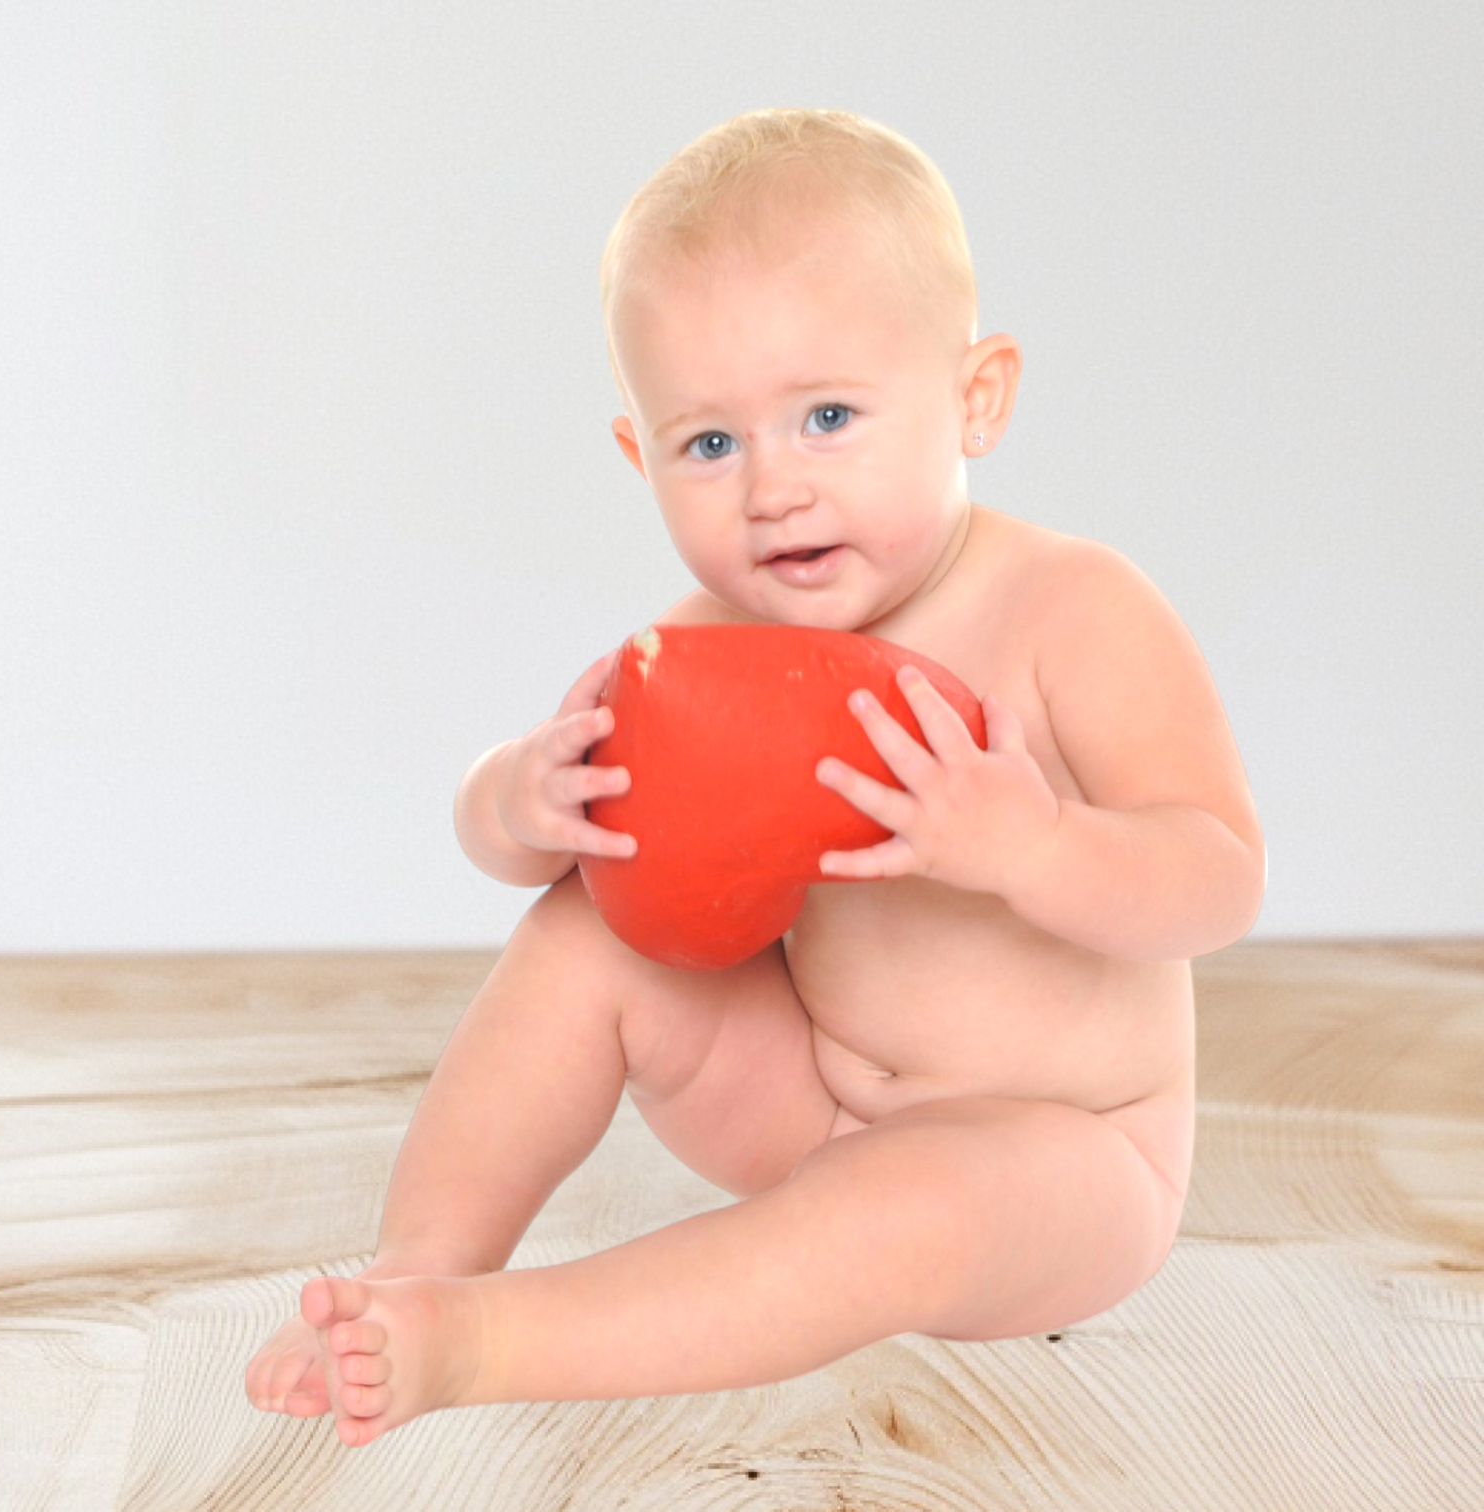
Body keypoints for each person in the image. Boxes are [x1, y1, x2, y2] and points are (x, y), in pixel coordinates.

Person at [245, 106, 1265, 1448]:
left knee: (904, 1205)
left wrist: (1036, 848)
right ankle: (421, 1268)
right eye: (711, 445)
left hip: (1066, 1159)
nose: (772, 490)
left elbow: (1218, 881)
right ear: (641, 456)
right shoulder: (718, 640)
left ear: (976, 397)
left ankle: (488, 1345)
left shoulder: (1071, 610)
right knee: (581, 934)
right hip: (815, 1097)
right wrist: (518, 799)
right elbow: (551, 846)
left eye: (828, 416)